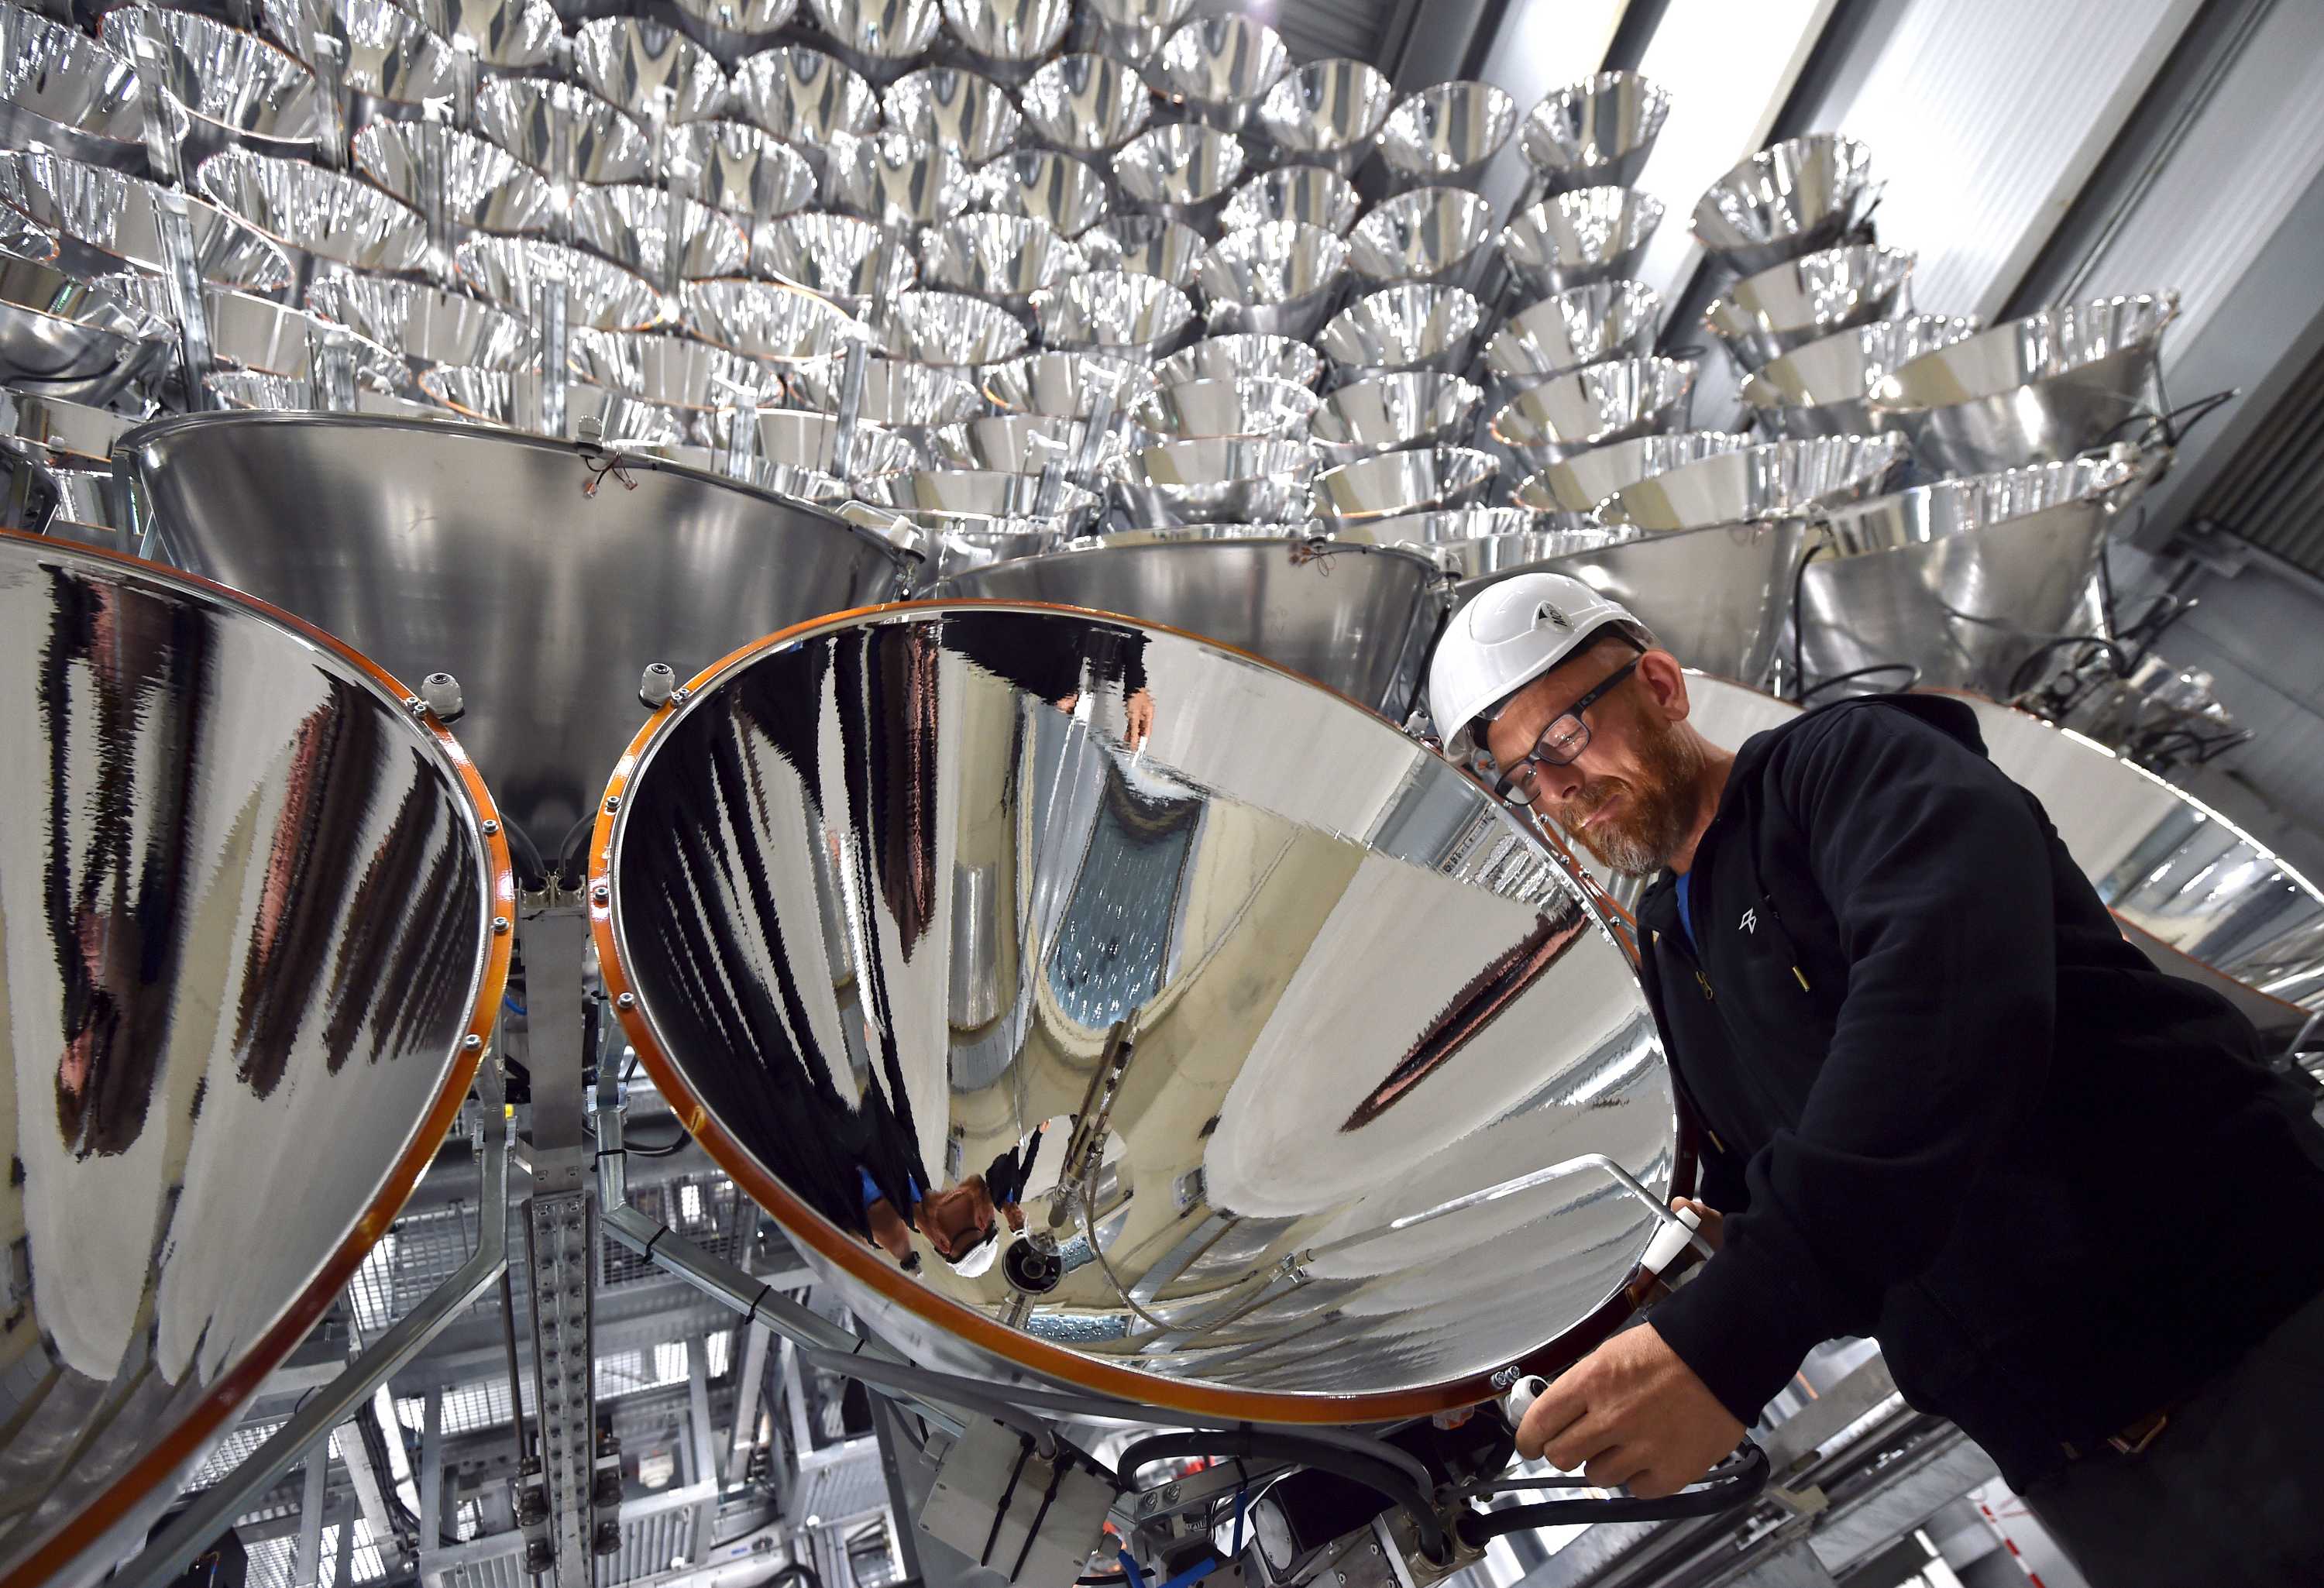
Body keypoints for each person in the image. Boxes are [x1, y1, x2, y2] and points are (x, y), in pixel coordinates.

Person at [1424, 573, 2324, 1585]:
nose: (1557, 790)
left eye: (1564, 740)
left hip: (2255, 1331)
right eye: (1524, 779)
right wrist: (1511, 1343)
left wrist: (1742, 1328)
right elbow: (1736, 1199)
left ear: (1663, 686)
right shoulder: (1673, 949)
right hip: (2077, 1458)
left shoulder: (1847, 767)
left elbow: (1952, 997)